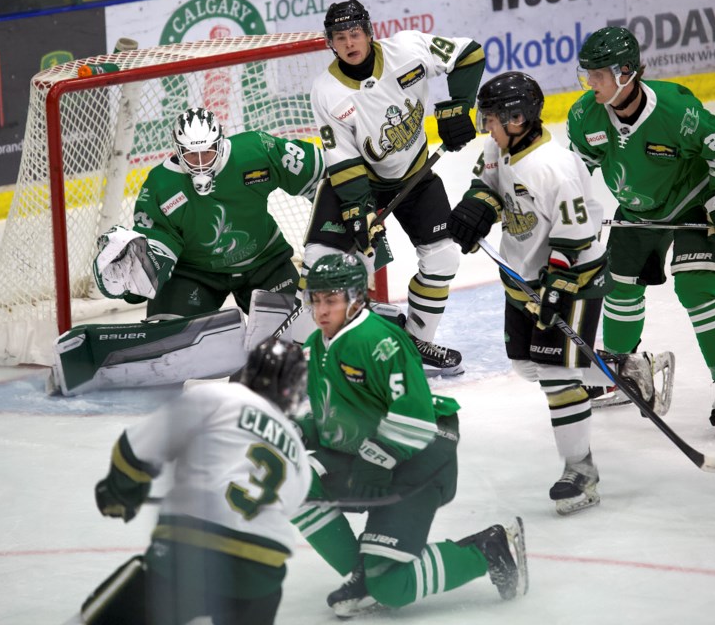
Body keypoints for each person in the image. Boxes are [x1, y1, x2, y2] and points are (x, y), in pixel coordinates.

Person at [291, 252, 528, 618]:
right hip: (370, 453)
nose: (321, 311)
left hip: (422, 455)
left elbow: (415, 417)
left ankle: (486, 549)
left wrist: (376, 458)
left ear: (355, 299)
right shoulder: (315, 346)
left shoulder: (378, 340)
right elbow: (329, 411)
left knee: (392, 587)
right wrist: (299, 430)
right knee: (293, 481)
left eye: (331, 300)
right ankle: (362, 574)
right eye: (316, 300)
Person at [46, 107, 324, 395]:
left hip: (265, 263)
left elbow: (320, 173)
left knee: (302, 334)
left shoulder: (256, 150)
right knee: (167, 344)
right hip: (195, 274)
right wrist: (134, 277)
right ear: (177, 150)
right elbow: (156, 253)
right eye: (192, 154)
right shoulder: (160, 186)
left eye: (208, 152)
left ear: (220, 142)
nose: (201, 163)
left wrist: (342, 212)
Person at [567, 26, 715, 438]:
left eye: (598, 74)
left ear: (626, 72)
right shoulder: (585, 115)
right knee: (618, 288)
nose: (590, 83)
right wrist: (565, 212)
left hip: (691, 202)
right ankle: (626, 370)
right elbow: (576, 171)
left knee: (696, 288)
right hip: (635, 209)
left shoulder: (675, 110)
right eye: (588, 74)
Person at [446, 71, 615, 514]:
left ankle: (581, 470)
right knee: (526, 366)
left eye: (491, 120)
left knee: (557, 376)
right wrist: (477, 208)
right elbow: (489, 186)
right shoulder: (499, 148)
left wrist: (556, 289)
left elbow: (574, 239)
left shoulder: (553, 168)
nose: (485, 128)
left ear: (517, 119)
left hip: (572, 279)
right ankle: (623, 370)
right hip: (522, 280)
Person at [302, 0, 487, 378]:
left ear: (369, 32)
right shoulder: (327, 91)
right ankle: (328, 350)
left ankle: (414, 343)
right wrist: (357, 209)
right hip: (359, 184)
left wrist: (459, 107)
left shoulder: (409, 49)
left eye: (355, 33)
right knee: (326, 263)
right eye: (340, 37)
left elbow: (469, 53)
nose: (350, 43)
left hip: (417, 178)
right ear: (330, 43)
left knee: (443, 260)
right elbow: (344, 158)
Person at [75, 338, 312, 625]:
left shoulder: (220, 397)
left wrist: (120, 492)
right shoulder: (298, 454)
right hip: (262, 573)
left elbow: (133, 451)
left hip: (192, 550)